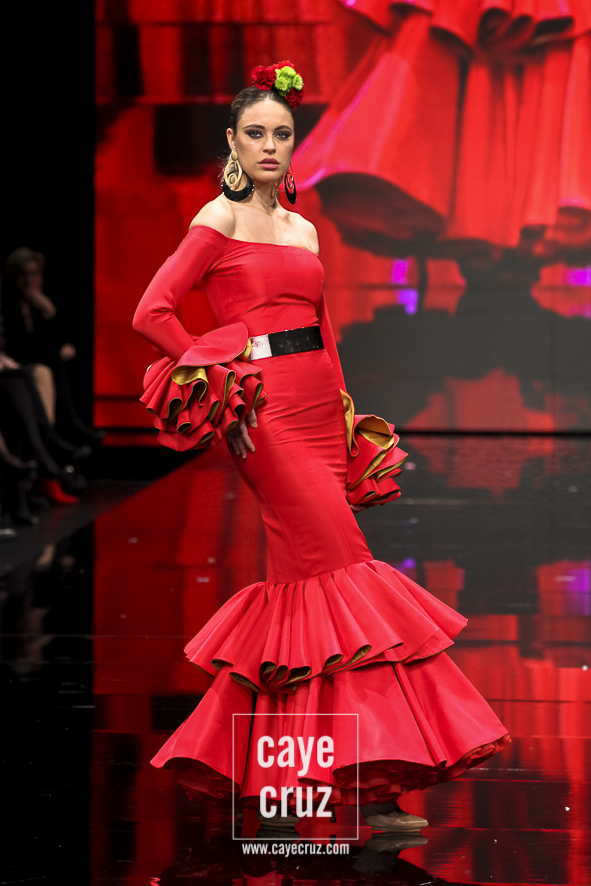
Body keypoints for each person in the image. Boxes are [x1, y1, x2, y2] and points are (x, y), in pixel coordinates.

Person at [132, 62, 510, 833]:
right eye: (256, 133)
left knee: (310, 601)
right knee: (346, 576)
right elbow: (152, 311)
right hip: (264, 414)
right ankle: (363, 780)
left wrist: (347, 427)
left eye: (281, 134)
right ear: (233, 143)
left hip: (315, 408)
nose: (270, 146)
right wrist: (217, 375)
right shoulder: (217, 219)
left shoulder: (303, 229)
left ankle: (307, 781)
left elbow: (324, 334)